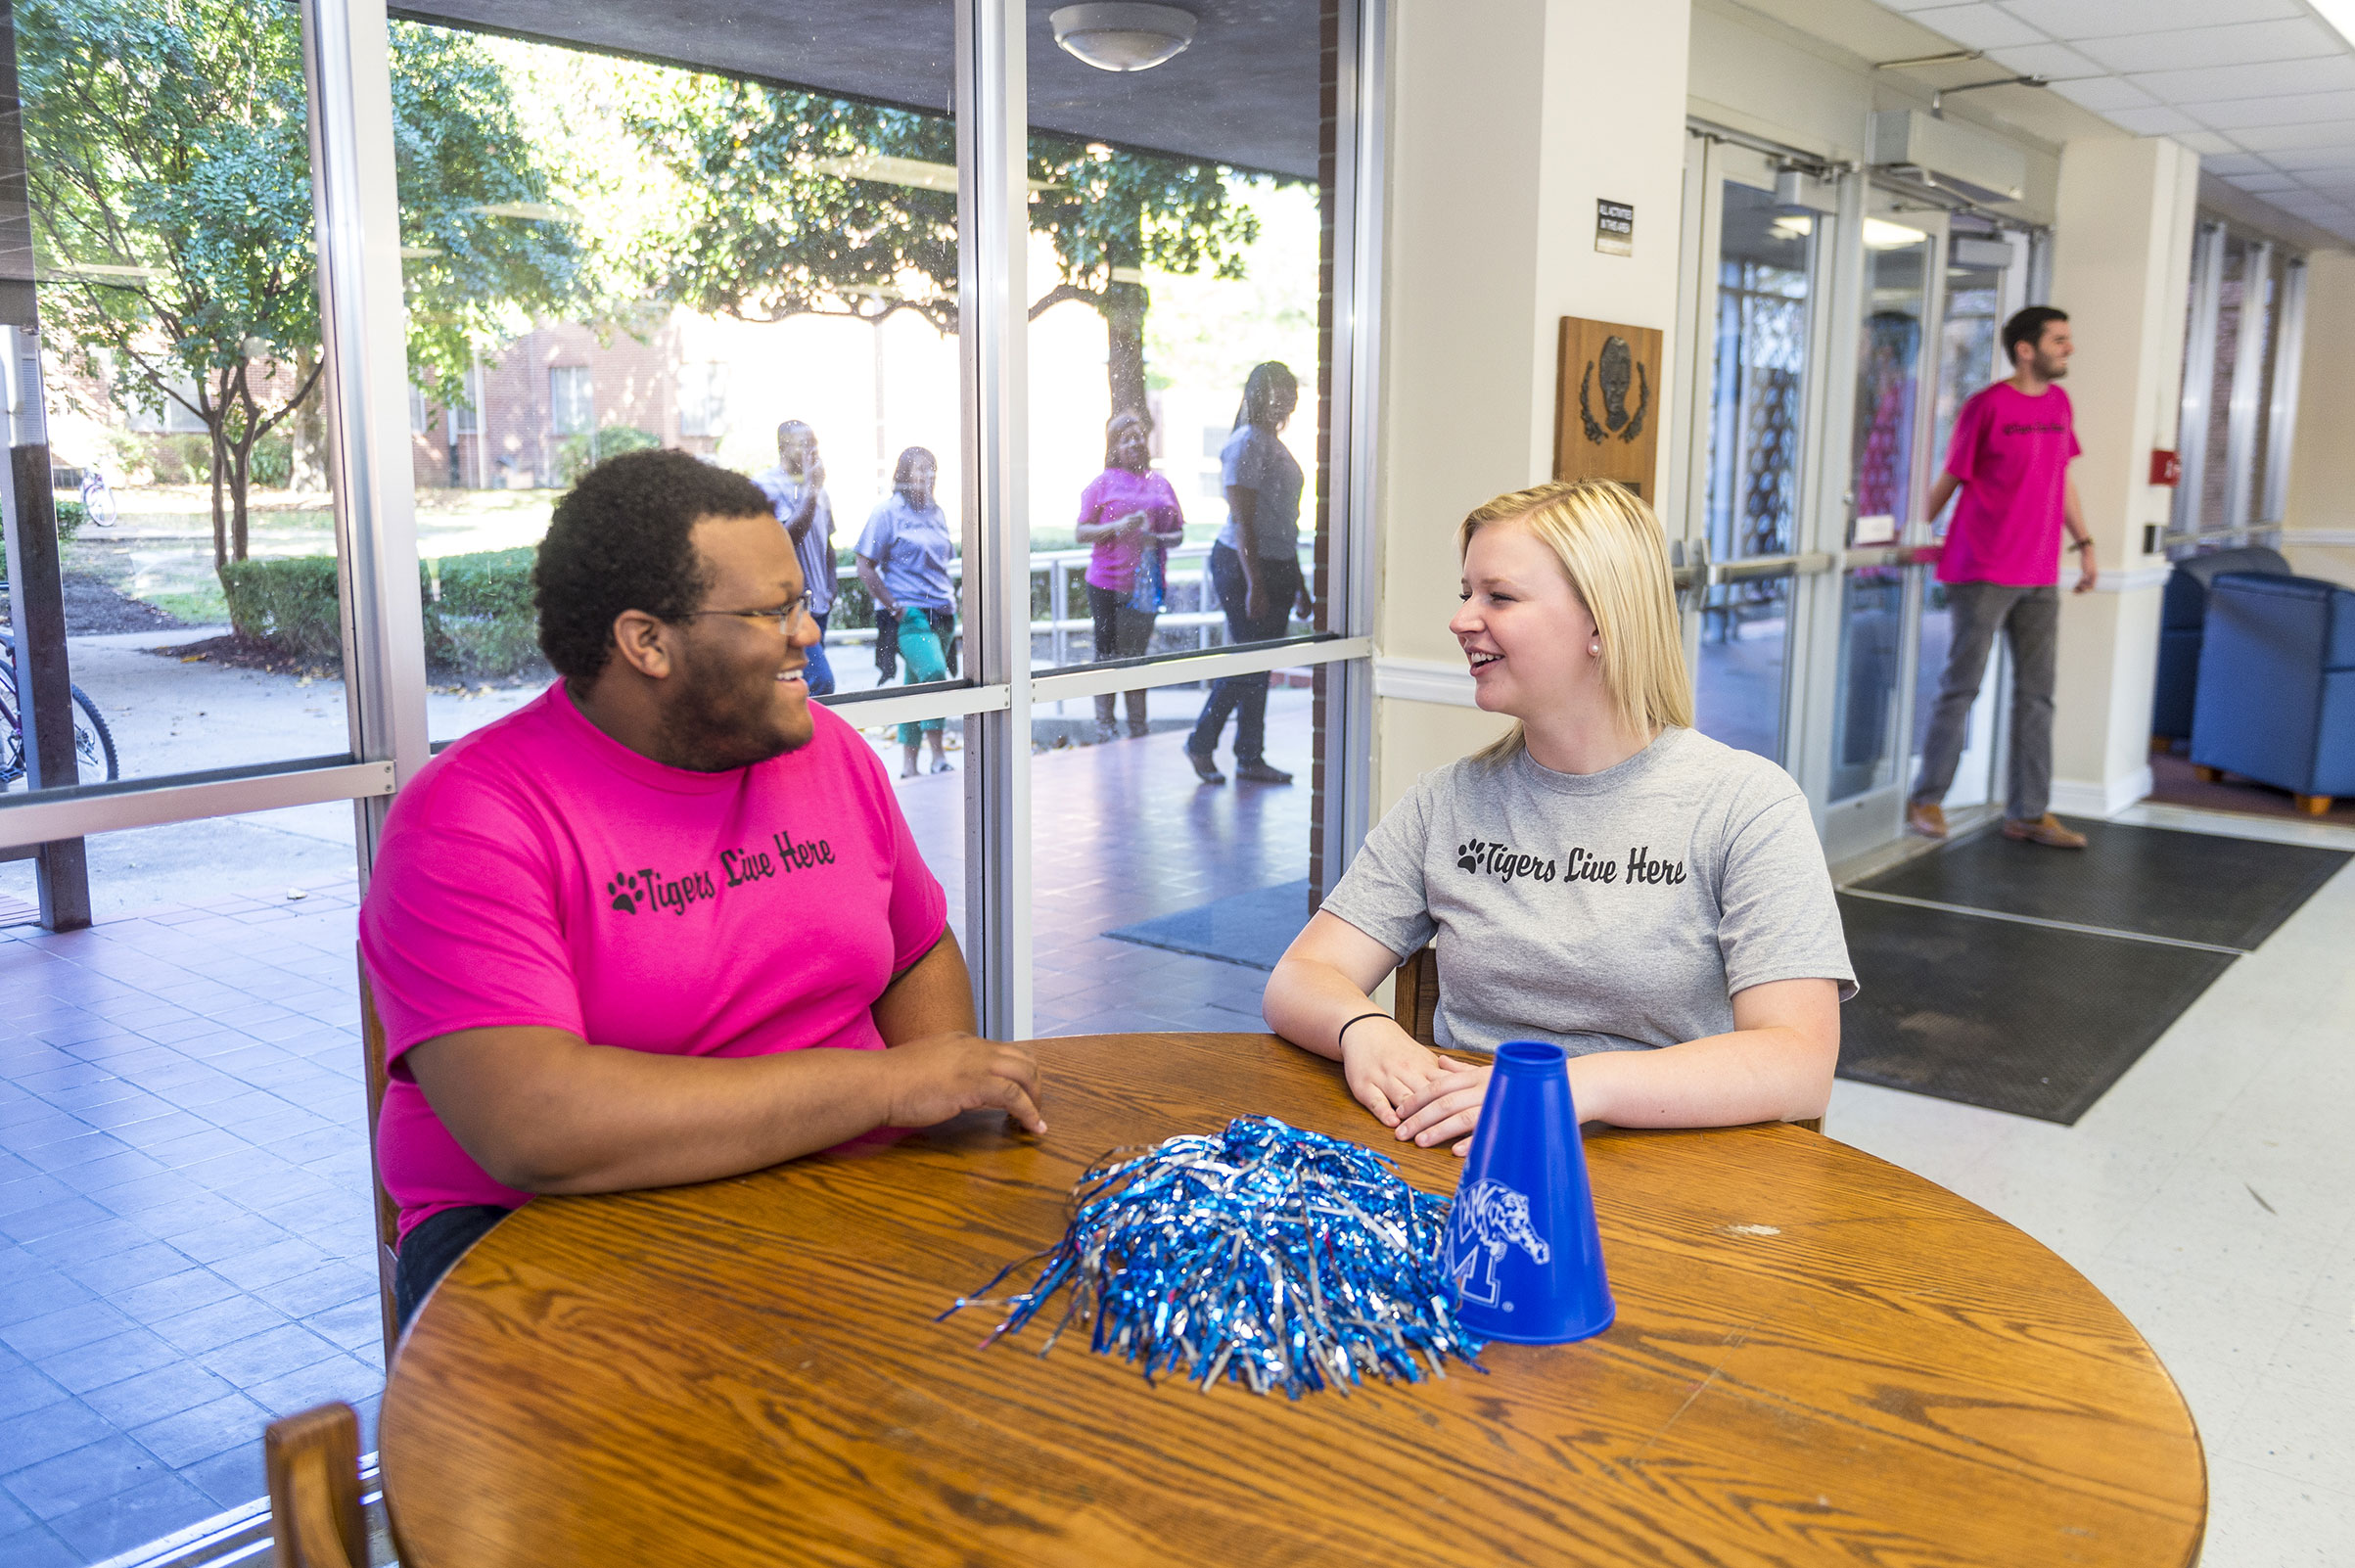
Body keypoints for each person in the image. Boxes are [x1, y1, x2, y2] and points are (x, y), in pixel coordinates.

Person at [358, 449, 1042, 1330]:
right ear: (647, 641)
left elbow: (915, 952)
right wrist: (884, 1088)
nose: (809, 632)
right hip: (550, 1237)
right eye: (773, 611)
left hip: (831, 1187)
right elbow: (536, 1126)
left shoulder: (829, 752)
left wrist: (930, 1124)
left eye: (803, 601)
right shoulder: (469, 820)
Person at [1261, 479, 1854, 1153]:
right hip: (1467, 1153)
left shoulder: (1747, 805)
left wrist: (1568, 1088)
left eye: (1500, 596)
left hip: (1670, 1167)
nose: (1462, 620)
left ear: (1601, 622)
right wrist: (1362, 1029)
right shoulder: (1444, 802)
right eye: (1466, 593)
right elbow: (1300, 977)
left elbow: (1798, 1062)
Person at [1907, 305, 2097, 850]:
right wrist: (1914, 531)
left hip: (2040, 572)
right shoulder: (1986, 406)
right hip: (1983, 569)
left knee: (2038, 695)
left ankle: (2029, 813)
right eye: (2059, 340)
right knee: (1962, 687)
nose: (2069, 348)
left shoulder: (2059, 404)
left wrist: (2085, 544)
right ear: (2025, 350)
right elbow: (1952, 476)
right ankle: (1927, 798)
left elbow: (2061, 477)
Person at [1186, 361, 1310, 786]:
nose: (1288, 398)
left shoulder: (1271, 443)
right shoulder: (1245, 443)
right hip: (1243, 566)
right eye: (1280, 390)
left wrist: (1299, 584)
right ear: (1259, 395)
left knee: (1260, 665)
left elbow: (1283, 525)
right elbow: (1244, 522)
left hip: (1275, 564)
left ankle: (1249, 757)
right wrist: (1256, 584)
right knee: (1248, 662)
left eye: (1291, 390)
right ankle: (1201, 742)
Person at [1075, 410, 1186, 742]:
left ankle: (1138, 729)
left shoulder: (1161, 484)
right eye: (1126, 439)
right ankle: (1106, 728)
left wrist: (1156, 539)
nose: (1135, 443)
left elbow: (1178, 534)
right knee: (1107, 656)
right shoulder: (1102, 484)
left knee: (1137, 657)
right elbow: (1081, 532)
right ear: (1114, 447)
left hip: (1146, 586)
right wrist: (1117, 527)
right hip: (1106, 584)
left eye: (1138, 436)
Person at [856, 446, 958, 778]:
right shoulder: (887, 512)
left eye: (932, 469)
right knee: (933, 673)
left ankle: (909, 766)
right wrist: (895, 608)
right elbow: (864, 565)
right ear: (904, 475)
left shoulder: (936, 512)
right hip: (910, 613)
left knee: (916, 683)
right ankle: (939, 756)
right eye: (920, 470)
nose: (928, 476)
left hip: (943, 611)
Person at [752, 420, 837, 697]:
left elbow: (828, 543)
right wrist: (811, 491)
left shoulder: (819, 491)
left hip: (819, 605)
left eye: (815, 444)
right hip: (788, 606)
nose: (813, 452)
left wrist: (831, 586)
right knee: (821, 681)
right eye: (804, 445)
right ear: (782, 449)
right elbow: (784, 542)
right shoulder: (765, 486)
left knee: (801, 683)